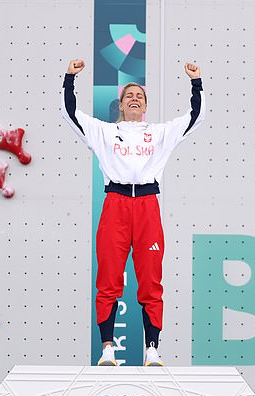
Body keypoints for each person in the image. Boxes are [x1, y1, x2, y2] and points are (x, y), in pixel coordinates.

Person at [61, 59, 205, 366]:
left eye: (140, 96)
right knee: (108, 279)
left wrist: (196, 82)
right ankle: (107, 350)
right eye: (129, 96)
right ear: (121, 106)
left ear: (146, 106)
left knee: (151, 280)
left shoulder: (160, 133)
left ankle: (152, 349)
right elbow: (70, 113)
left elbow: (196, 117)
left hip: (148, 206)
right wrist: (70, 78)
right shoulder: (104, 132)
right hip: (115, 202)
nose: (135, 98)